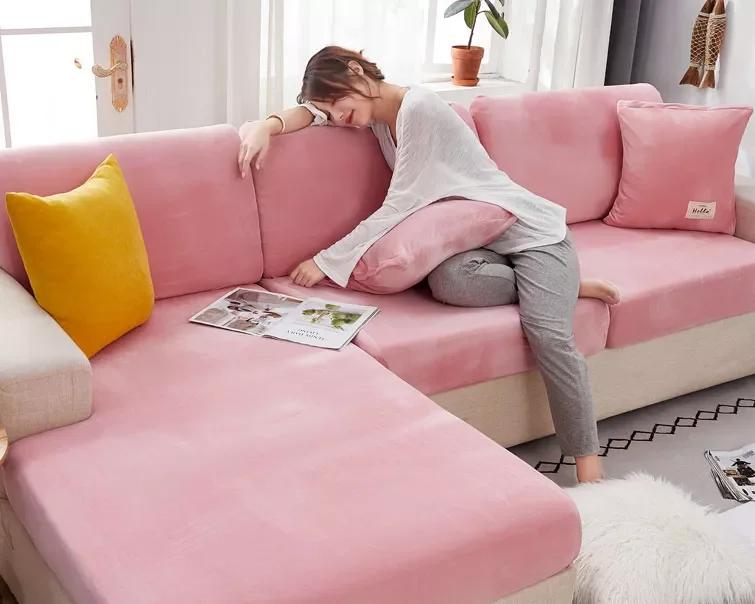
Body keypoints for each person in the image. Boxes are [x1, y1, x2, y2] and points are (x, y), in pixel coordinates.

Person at [239, 46, 619, 483]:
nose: (338, 117)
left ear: (355, 71)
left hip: (532, 234)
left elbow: (400, 205)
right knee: (448, 283)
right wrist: (266, 127)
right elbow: (311, 113)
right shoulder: (376, 117)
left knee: (548, 334)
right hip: (475, 244)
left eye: (337, 102)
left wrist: (327, 260)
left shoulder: (419, 107)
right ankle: (562, 287)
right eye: (331, 110)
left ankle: (589, 466)